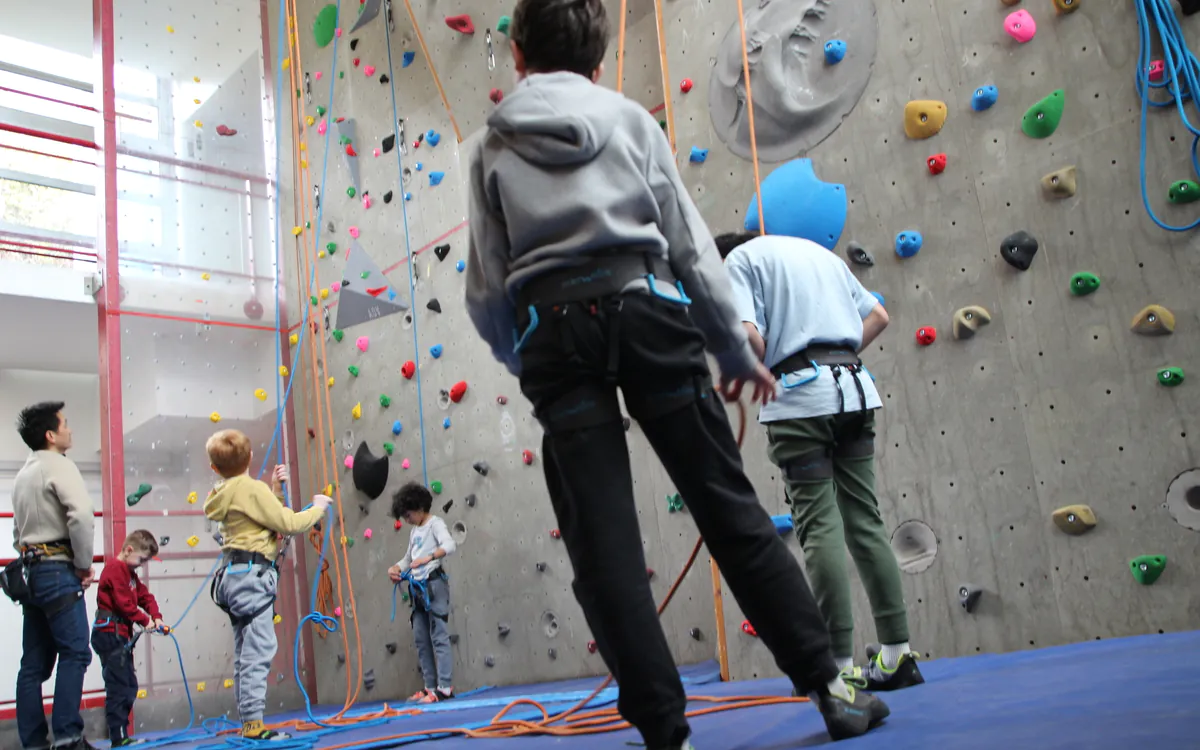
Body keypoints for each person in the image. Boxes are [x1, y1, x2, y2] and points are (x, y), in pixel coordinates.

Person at [463, 1, 889, 746]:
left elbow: (489, 283)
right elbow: (690, 245)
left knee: (603, 543)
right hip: (647, 308)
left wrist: (521, 352)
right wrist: (732, 347)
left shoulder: (491, 147)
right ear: (597, 64)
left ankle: (667, 732)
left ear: (519, 57)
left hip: (555, 331)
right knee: (725, 502)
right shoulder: (630, 120)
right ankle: (828, 687)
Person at [716, 231, 924, 691]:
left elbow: (748, 337)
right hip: (854, 389)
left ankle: (839, 665)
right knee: (864, 519)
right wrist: (835, 358)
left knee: (818, 526)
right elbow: (879, 316)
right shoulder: (820, 255)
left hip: (800, 401)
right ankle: (898, 654)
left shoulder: (738, 262)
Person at [202, 429, 330, 741]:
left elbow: (256, 521)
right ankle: (254, 725)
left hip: (231, 578)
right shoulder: (249, 488)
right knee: (258, 650)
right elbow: (288, 524)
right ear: (250, 458)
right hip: (252, 577)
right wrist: (318, 508)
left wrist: (273, 489)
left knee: (246, 649)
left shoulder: (219, 494)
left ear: (214, 468)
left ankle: (249, 719)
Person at [12, 402, 97, 750]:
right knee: (76, 652)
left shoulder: (22, 474)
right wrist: (82, 562)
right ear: (51, 435)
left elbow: (18, 533)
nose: (70, 429)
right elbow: (81, 515)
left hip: (30, 573)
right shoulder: (59, 466)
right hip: (58, 569)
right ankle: (68, 738)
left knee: (32, 664)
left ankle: (33, 743)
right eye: (65, 424)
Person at [92, 530, 167, 747]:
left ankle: (121, 735)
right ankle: (119, 737)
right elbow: (124, 603)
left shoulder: (130, 575)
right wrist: (145, 621)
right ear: (128, 550)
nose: (142, 564)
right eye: (141, 559)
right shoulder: (116, 569)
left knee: (128, 684)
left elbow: (144, 596)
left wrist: (157, 617)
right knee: (119, 685)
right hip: (109, 635)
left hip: (120, 636)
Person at [387, 482, 457, 703]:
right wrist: (396, 568)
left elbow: (450, 545)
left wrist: (429, 557)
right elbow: (408, 559)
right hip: (418, 589)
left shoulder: (435, 524)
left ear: (418, 508)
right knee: (421, 638)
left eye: (408, 514)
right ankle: (429, 687)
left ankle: (444, 687)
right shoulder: (415, 531)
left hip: (434, 585)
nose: (406, 519)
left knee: (439, 637)